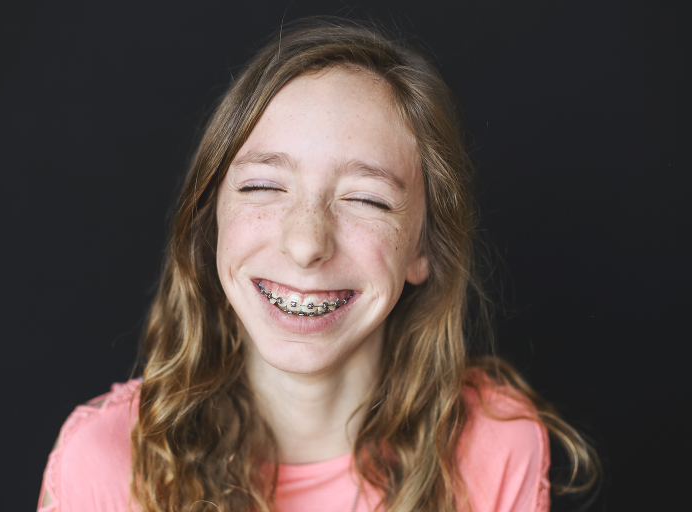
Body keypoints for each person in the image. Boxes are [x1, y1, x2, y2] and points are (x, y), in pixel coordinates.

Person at [38, 18, 599, 512]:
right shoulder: (106, 463)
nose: (307, 243)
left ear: (422, 249)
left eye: (366, 199)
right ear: (214, 224)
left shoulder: (497, 445)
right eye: (263, 186)